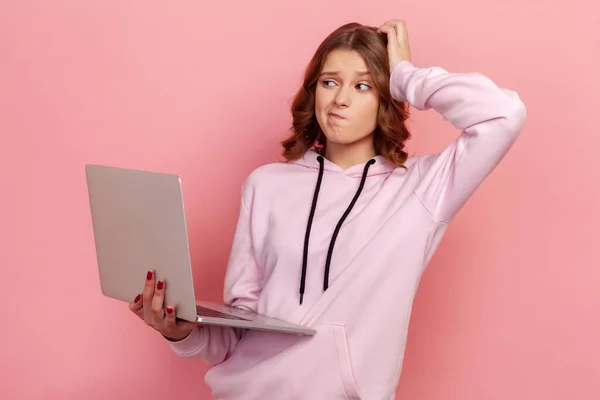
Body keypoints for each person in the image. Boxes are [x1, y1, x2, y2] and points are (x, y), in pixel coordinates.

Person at [128, 19, 526, 399]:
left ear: (387, 97)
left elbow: (503, 114)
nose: (340, 99)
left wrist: (406, 75)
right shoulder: (266, 185)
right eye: (329, 82)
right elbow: (239, 329)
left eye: (364, 86)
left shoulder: (422, 189)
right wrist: (181, 331)